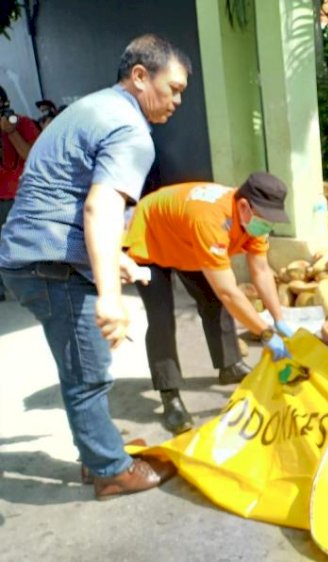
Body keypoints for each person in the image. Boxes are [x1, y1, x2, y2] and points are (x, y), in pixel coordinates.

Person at [0, 34, 191, 500]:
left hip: (28, 257)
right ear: (141, 76)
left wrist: (119, 261)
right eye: (175, 88)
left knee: (77, 364)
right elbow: (99, 208)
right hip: (52, 265)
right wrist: (109, 295)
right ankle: (109, 470)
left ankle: (96, 450)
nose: (178, 101)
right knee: (88, 372)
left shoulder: (90, 108)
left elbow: (63, 192)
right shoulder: (130, 129)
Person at [123, 172, 294, 434]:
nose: (267, 225)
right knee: (162, 318)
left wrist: (279, 319)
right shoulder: (211, 220)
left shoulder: (257, 221)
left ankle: (229, 365)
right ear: (244, 206)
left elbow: (260, 270)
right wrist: (265, 332)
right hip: (152, 235)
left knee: (212, 301)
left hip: (186, 241)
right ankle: (170, 395)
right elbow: (229, 290)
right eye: (265, 219)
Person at [0, 86, 40, 301]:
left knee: (22, 245)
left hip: (17, 196)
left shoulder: (23, 124)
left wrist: (11, 132)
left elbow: (29, 155)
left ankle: (30, 288)